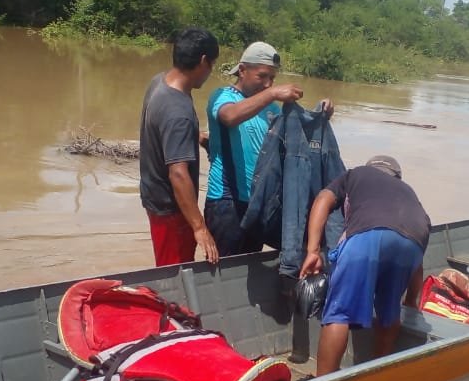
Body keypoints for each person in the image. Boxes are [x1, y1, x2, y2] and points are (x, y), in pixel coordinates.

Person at [300, 155, 430, 375]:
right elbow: (417, 269)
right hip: (413, 242)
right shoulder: (410, 194)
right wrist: (409, 301)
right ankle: (377, 377)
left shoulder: (357, 174)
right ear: (397, 177)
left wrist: (313, 250)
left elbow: (323, 198)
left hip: (366, 235)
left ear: (373, 168)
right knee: (390, 315)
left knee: (339, 313)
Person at [203, 42, 333, 257]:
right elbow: (229, 117)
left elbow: (297, 142)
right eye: (262, 76)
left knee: (250, 272)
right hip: (227, 203)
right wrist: (272, 93)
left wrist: (321, 116)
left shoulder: (271, 109)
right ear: (242, 70)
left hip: (258, 204)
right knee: (224, 272)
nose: (267, 84)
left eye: (272, 78)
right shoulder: (224, 97)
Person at [138, 27, 220, 267]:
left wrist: (199, 137)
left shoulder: (160, 82)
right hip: (172, 210)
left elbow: (165, 128)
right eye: (212, 64)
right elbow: (177, 173)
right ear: (203, 61)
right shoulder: (178, 111)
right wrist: (199, 227)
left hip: (153, 196)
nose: (210, 72)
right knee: (174, 276)